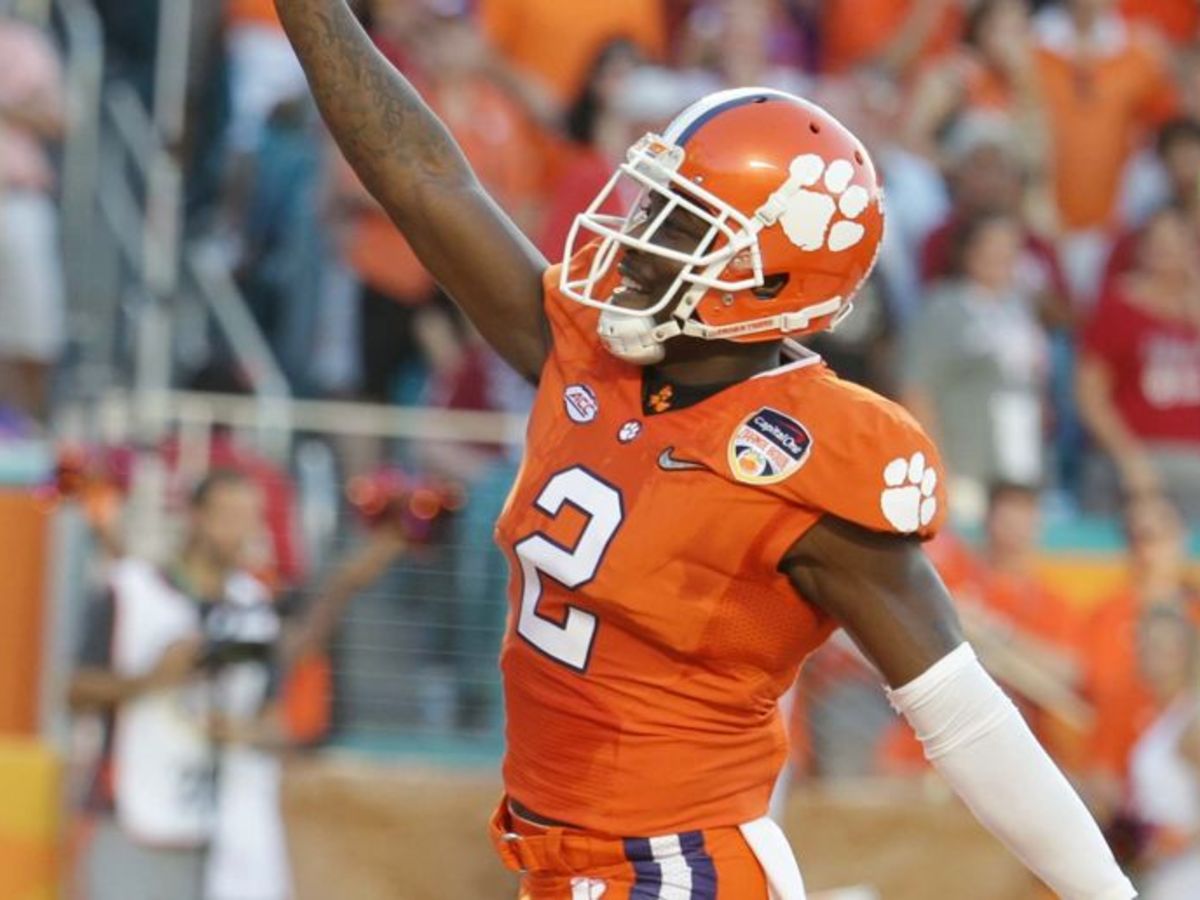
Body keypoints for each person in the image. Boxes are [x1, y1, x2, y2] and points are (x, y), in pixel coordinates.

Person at [276, 3, 1134, 896]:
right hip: (568, 866)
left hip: (679, 872)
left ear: (770, 275)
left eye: (679, 224)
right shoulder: (593, 355)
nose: (636, 239)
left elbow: (966, 717)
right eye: (652, 203)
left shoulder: (815, 457)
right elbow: (421, 175)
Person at [902, 212, 1051, 521]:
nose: (1000, 256)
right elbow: (917, 389)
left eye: (1009, 247)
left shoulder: (1019, 309)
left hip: (1018, 465)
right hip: (966, 467)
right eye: (991, 246)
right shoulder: (944, 307)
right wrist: (939, 467)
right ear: (968, 251)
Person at [1076, 206, 1200, 516]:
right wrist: (1128, 457)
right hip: (1135, 461)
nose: (1167, 253)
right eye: (1157, 244)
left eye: (1176, 243)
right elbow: (1090, 394)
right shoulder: (1119, 306)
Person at [1127, 606, 1200, 899]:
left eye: (1157, 646)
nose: (1145, 654)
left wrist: (1180, 839)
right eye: (1142, 644)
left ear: (1182, 653)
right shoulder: (1161, 719)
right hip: (1162, 879)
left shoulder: (1192, 721)